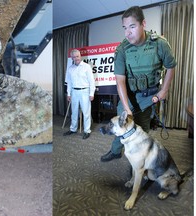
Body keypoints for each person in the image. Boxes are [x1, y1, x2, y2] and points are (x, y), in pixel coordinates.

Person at [101, 6, 176, 162]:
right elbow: (119, 79)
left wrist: (164, 91)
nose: (127, 32)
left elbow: (171, 66)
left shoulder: (159, 44)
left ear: (143, 24)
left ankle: (136, 165)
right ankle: (115, 151)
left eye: (132, 26)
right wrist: (127, 108)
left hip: (148, 97)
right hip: (127, 96)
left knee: (142, 130)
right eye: (124, 28)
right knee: (121, 125)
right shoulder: (122, 49)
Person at [63, 49, 96, 139]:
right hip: (74, 92)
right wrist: (68, 93)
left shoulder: (87, 67)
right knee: (74, 112)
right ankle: (73, 129)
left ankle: (87, 131)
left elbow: (91, 81)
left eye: (77, 56)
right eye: (74, 57)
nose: (76, 58)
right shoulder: (70, 68)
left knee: (86, 112)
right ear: (72, 58)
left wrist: (91, 93)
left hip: (85, 91)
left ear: (80, 56)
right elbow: (69, 82)